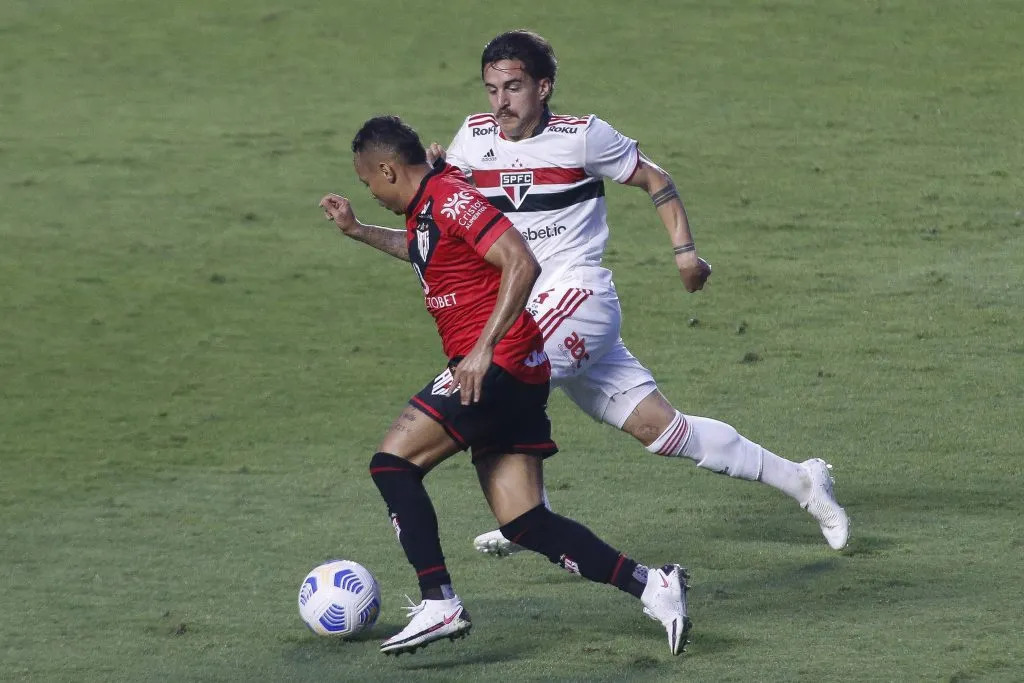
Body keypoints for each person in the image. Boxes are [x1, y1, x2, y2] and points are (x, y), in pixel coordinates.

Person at [424, 30, 849, 556]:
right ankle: (803, 480)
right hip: (530, 306)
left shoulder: (583, 137)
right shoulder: (474, 135)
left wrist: (685, 253)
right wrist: (435, 175)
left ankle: (530, 513)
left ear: (544, 86)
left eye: (513, 88)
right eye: (491, 89)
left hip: (578, 297)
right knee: (663, 432)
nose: (501, 102)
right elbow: (453, 212)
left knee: (494, 376)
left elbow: (654, 178)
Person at [319, 115, 693, 656]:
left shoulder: (448, 196)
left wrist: (483, 348)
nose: (369, 193)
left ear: (385, 168)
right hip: (514, 369)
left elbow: (521, 258)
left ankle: (438, 601)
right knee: (524, 521)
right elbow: (423, 250)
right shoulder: (431, 206)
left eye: (367, 183)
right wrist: (358, 231)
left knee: (393, 464)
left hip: (500, 364)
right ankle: (653, 585)